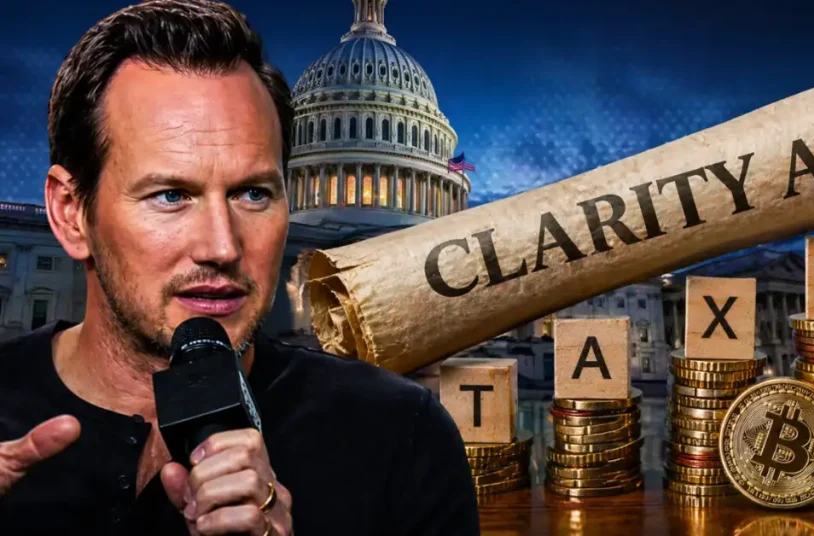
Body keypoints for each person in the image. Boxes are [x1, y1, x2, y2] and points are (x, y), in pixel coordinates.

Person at [0, 1, 480, 534]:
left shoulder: (401, 436)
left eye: (253, 193)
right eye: (171, 195)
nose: (222, 246)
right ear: (71, 213)